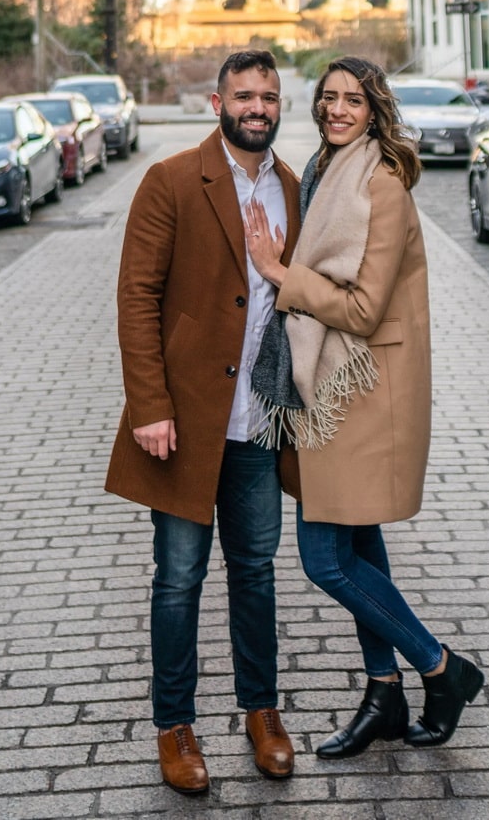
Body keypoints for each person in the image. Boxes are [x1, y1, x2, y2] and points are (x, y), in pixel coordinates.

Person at [244, 55, 485, 758]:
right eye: (328, 98)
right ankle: (383, 692)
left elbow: (362, 304)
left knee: (324, 558)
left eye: (353, 99)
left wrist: (280, 273)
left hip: (363, 391)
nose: (338, 109)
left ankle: (442, 666)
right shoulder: (325, 171)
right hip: (341, 392)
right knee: (357, 545)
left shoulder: (380, 185)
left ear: (375, 109)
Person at [105, 48, 300, 797]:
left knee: (256, 573)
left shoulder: (289, 186)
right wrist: (149, 404)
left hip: (257, 421)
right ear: (216, 103)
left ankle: (262, 712)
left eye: (269, 95)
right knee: (178, 578)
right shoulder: (172, 179)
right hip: (184, 421)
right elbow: (136, 297)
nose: (257, 106)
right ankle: (175, 724)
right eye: (244, 95)